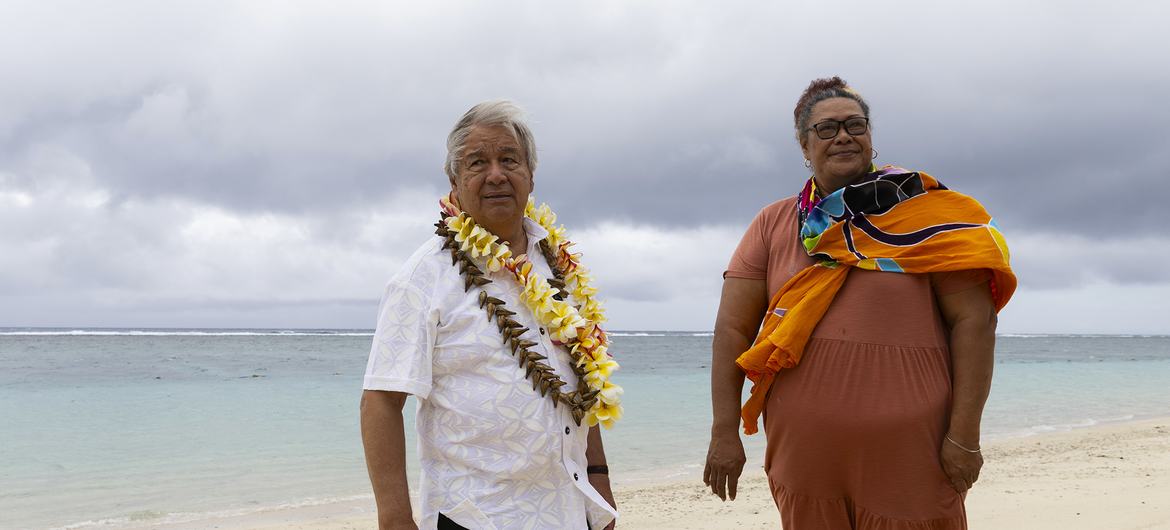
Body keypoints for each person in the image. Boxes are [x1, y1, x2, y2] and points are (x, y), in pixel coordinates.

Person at [703, 77, 1016, 529]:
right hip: (805, 455)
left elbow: (975, 322)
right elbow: (732, 331)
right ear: (804, 147)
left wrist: (964, 435)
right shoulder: (772, 224)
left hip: (913, 452)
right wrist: (723, 432)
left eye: (855, 124)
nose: (844, 135)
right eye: (826, 129)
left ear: (870, 138)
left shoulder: (930, 216)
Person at [360, 101, 621, 530]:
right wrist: (394, 519)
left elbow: (576, 383)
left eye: (509, 160)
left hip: (572, 510)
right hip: (477, 515)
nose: (496, 174)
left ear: (530, 175)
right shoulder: (422, 279)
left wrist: (599, 483)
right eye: (477, 162)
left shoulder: (558, 266)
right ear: (454, 181)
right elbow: (381, 402)